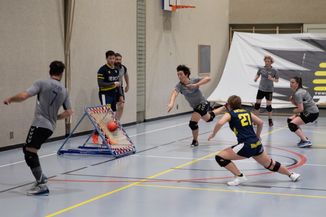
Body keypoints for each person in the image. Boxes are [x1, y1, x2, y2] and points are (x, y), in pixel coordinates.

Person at [3, 61, 73, 195]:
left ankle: (41, 185)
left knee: (29, 152)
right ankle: (41, 177)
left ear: (50, 71)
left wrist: (10, 99)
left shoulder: (42, 83)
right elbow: (69, 112)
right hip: (50, 126)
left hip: (40, 123)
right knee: (29, 149)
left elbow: (24, 95)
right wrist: (55, 117)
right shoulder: (64, 90)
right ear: (61, 73)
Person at [208, 95, 300, 186]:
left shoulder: (230, 114)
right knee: (270, 164)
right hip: (256, 143)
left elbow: (220, 122)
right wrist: (258, 136)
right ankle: (291, 175)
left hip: (246, 145)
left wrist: (213, 134)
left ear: (229, 105)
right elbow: (260, 122)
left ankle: (239, 176)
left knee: (220, 157)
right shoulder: (247, 112)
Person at [167, 65, 217, 147]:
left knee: (192, 123)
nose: (179, 76)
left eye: (181, 74)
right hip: (196, 107)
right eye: (178, 74)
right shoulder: (179, 86)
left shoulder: (194, 80)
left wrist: (196, 85)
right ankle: (223, 108)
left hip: (203, 103)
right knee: (209, 119)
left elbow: (208, 78)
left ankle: (195, 141)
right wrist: (171, 103)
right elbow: (174, 93)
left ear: (186, 74)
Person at [92, 50, 120, 144]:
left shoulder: (116, 70)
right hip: (105, 95)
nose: (112, 60)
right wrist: (113, 84)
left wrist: (119, 95)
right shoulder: (102, 70)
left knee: (111, 118)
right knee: (106, 117)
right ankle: (103, 137)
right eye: (110, 58)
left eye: (113, 58)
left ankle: (104, 136)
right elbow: (100, 84)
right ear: (106, 58)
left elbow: (118, 85)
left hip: (113, 95)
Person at [288, 76, 319, 148]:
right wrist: (293, 102)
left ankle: (306, 141)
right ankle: (303, 139)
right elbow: (302, 105)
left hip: (311, 113)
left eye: (293, 82)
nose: (290, 84)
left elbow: (300, 109)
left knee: (292, 124)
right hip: (310, 111)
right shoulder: (300, 91)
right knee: (290, 120)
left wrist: (294, 111)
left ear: (297, 84)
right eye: (290, 82)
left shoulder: (298, 93)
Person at [253, 55, 279, 127]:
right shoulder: (261, 68)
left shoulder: (274, 70)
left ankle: (270, 120)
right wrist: (256, 78)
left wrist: (272, 79)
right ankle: (256, 119)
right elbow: (258, 74)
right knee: (257, 104)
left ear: (271, 62)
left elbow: (277, 80)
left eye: (268, 61)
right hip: (261, 89)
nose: (267, 62)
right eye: (266, 61)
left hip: (269, 90)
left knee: (269, 106)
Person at [115, 53, 129, 120]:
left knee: (121, 105)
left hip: (120, 88)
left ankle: (116, 122)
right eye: (117, 59)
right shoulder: (111, 68)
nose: (118, 61)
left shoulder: (123, 68)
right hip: (111, 89)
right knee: (110, 108)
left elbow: (126, 76)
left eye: (120, 59)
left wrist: (127, 85)